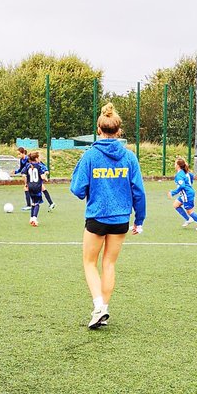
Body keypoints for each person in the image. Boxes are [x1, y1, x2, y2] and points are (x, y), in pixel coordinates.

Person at [70, 103, 146, 329]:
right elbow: (138, 191)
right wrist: (139, 220)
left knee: (89, 262)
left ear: (99, 130)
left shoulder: (90, 155)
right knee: (109, 264)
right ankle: (104, 308)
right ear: (119, 131)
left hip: (96, 217)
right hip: (121, 219)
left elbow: (77, 189)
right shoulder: (129, 157)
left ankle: (98, 307)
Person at [169, 157, 197, 230]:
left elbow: (182, 185)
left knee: (190, 211)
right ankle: (188, 219)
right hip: (185, 193)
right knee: (176, 205)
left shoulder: (179, 175)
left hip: (187, 194)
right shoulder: (185, 172)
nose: (174, 165)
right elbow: (192, 177)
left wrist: (173, 193)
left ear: (178, 165)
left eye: (175, 163)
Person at [24, 153, 46, 226]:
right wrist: (45, 176)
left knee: (33, 202)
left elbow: (24, 175)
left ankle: (31, 218)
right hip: (37, 187)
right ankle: (34, 218)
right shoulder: (39, 166)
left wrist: (26, 184)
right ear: (36, 159)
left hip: (30, 186)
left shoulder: (28, 166)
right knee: (37, 203)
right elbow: (42, 177)